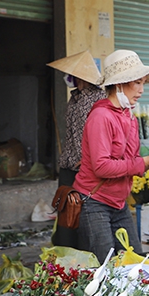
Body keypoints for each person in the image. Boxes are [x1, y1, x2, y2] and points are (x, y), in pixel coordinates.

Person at [74, 50, 149, 263]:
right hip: (95, 203)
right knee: (105, 269)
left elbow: (129, 158)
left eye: (143, 83)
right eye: (137, 83)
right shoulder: (101, 116)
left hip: (119, 203)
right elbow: (101, 167)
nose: (141, 90)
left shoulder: (128, 115)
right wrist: (145, 162)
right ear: (119, 84)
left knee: (135, 264)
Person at [47, 51, 107, 249]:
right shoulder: (75, 98)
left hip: (84, 169)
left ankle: (82, 256)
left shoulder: (97, 99)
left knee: (80, 216)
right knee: (66, 216)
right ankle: (66, 256)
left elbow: (97, 135)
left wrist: (88, 160)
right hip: (68, 165)